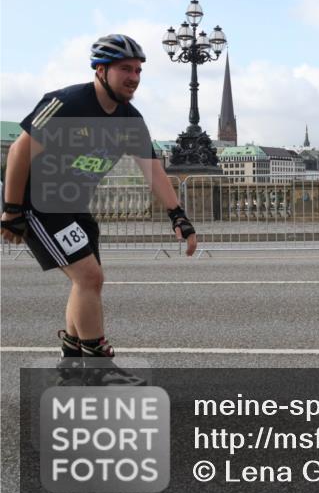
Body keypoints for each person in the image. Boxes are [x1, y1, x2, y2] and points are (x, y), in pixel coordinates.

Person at [1, 34, 198, 385]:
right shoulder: (65, 103)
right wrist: (11, 211)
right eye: (125, 69)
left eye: (138, 70)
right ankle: (96, 368)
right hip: (39, 204)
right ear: (101, 70)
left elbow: (152, 169)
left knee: (86, 283)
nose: (134, 77)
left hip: (74, 206)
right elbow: (19, 151)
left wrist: (178, 216)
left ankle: (72, 364)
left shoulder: (129, 120)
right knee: (89, 278)